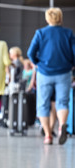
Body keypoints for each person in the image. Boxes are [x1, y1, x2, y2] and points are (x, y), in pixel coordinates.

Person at [27, 7, 75, 145]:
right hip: (64, 73)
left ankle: (48, 136)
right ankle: (62, 126)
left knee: (43, 104)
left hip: (44, 73)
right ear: (60, 18)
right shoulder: (68, 33)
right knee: (62, 102)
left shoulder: (40, 33)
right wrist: (72, 64)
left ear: (48, 18)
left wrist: (37, 63)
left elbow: (31, 53)